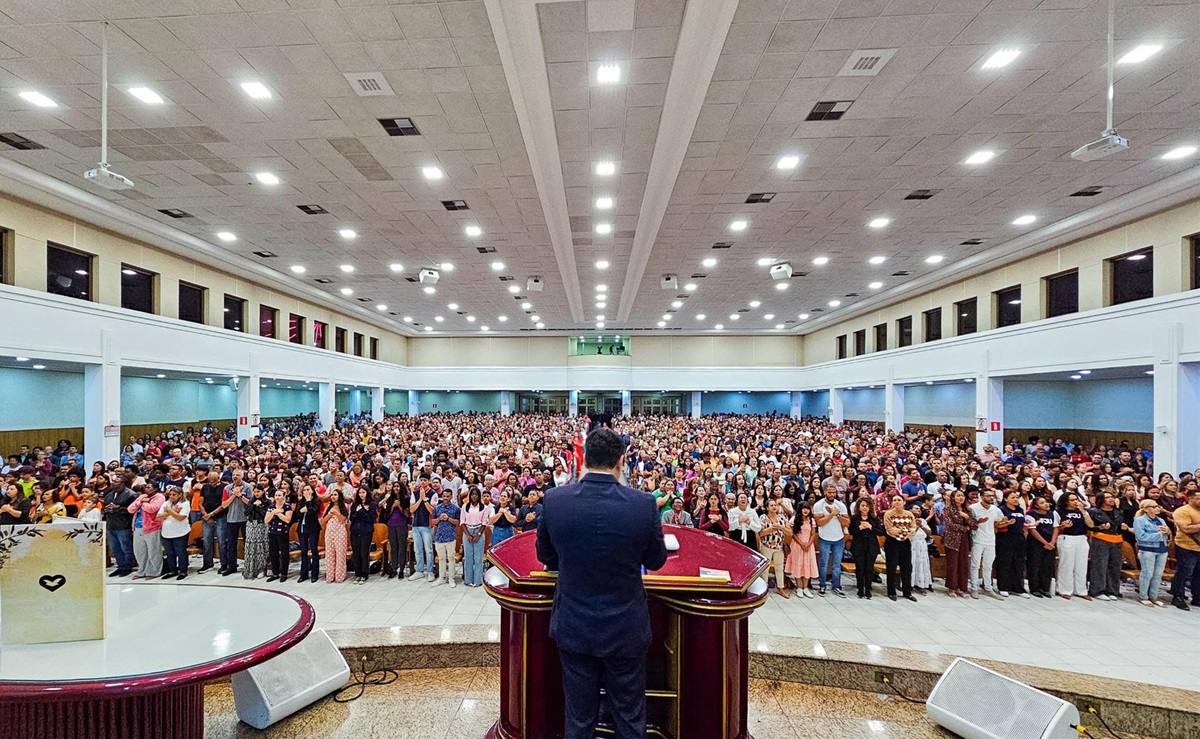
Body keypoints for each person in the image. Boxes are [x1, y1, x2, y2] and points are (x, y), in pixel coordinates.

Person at [536, 427, 668, 739]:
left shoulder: (556, 501)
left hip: (574, 625)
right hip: (626, 628)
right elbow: (656, 561)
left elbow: (545, 555)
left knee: (579, 720)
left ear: (583, 459)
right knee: (629, 718)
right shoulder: (643, 504)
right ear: (622, 461)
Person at [812, 482, 849, 597]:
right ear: (825, 493)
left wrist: (837, 515)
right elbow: (819, 523)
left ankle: (836, 586)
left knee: (837, 564)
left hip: (839, 537)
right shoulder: (819, 505)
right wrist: (832, 514)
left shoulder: (841, 505)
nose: (832, 494)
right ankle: (822, 585)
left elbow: (847, 522)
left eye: (834, 492)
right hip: (824, 537)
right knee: (823, 563)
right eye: (830, 492)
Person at [1133, 499, 1171, 607]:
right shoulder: (1139, 520)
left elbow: (1167, 534)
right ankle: (1143, 596)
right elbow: (1141, 536)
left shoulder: (1161, 520)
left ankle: (1153, 596)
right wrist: (1158, 534)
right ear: (1145, 509)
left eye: (1157, 506)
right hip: (1147, 549)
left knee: (1158, 574)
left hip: (1162, 549)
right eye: (1154, 507)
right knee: (1147, 573)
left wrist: (1167, 532)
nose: (1157, 508)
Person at [1055, 490, 1093, 600]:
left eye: (1076, 499)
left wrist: (1082, 510)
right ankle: (1064, 589)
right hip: (1067, 537)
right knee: (1066, 564)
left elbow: (1090, 524)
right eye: (1072, 500)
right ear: (1066, 501)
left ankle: (1081, 590)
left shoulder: (1082, 511)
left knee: (1081, 565)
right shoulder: (1059, 511)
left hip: (1081, 538)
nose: (1075, 502)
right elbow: (1056, 527)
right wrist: (1063, 526)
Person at [1088, 491, 1125, 600]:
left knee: (1115, 566)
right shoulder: (1094, 511)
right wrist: (1100, 527)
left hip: (1117, 539)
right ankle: (1097, 590)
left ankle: (1113, 590)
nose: (1111, 499)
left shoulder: (1118, 512)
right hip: (1101, 539)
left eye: (1112, 497)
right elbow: (1089, 526)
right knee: (1100, 565)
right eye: (1108, 497)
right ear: (1101, 499)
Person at [968, 489, 1004, 599]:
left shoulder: (995, 509)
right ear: (981, 496)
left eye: (992, 496)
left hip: (990, 539)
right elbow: (969, 523)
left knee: (988, 565)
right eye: (988, 496)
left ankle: (988, 588)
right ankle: (974, 587)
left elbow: (998, 522)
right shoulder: (973, 508)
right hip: (977, 539)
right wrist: (978, 522)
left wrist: (1006, 523)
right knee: (975, 565)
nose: (990, 498)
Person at [882, 493, 917, 602]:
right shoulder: (888, 514)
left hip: (905, 542)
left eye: (899, 500)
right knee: (891, 567)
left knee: (907, 568)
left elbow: (913, 529)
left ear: (904, 502)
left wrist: (902, 532)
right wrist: (904, 530)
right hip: (892, 543)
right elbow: (890, 530)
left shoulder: (909, 514)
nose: (897, 502)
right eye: (894, 500)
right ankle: (891, 592)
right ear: (892, 502)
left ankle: (907, 592)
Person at [1168, 488, 1200, 611]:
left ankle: (1197, 597)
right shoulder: (1182, 511)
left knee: (1198, 574)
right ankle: (1178, 596)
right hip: (1186, 546)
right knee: (1184, 572)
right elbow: (1186, 528)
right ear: (1191, 499)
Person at [995, 490, 1029, 598]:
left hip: (1019, 538)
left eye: (1016, 497)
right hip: (1005, 538)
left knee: (1018, 563)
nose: (1015, 499)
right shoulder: (1002, 509)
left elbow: (1023, 523)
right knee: (1005, 562)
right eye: (1013, 497)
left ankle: (1018, 588)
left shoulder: (1020, 509)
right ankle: (1004, 587)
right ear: (1006, 499)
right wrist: (1007, 523)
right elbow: (998, 524)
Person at [103, 474, 138, 577]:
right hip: (111, 524)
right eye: (112, 481)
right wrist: (106, 509)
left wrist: (117, 508)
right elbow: (106, 507)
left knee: (125, 547)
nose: (113, 483)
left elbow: (132, 510)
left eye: (116, 482)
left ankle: (127, 566)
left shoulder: (131, 494)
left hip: (124, 525)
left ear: (122, 483)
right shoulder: (109, 494)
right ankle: (120, 566)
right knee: (115, 548)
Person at [1023, 496, 1058, 598]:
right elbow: (1033, 530)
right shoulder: (1031, 514)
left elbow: (1055, 528)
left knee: (1047, 565)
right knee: (1035, 565)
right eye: (1042, 503)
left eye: (1046, 502)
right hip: (1036, 542)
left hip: (1050, 542)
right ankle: (1034, 588)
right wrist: (1045, 543)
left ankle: (1045, 588)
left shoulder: (1052, 513)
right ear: (1036, 505)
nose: (1046, 504)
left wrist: (1052, 542)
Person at [128, 483, 165, 580]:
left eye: (149, 487)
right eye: (146, 487)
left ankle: (154, 571)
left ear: (155, 489)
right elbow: (130, 509)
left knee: (153, 551)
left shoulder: (159, 497)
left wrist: (143, 503)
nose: (146, 489)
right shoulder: (143, 497)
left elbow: (152, 509)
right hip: (137, 527)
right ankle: (141, 571)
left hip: (152, 527)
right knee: (139, 551)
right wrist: (140, 501)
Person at [942, 489, 974, 598]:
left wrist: (966, 517)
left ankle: (962, 588)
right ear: (953, 497)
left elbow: (974, 525)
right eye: (958, 496)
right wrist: (966, 528)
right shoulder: (948, 509)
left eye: (962, 496)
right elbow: (950, 525)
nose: (961, 498)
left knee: (964, 563)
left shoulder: (967, 510)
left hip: (965, 539)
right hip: (952, 539)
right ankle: (952, 587)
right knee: (953, 564)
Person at [848, 497, 882, 599]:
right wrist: (859, 528)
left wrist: (870, 527)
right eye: (862, 506)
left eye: (867, 506)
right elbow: (851, 532)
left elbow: (880, 532)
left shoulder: (874, 519)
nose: (865, 508)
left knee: (869, 569)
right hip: (859, 546)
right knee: (860, 568)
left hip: (871, 547)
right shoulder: (854, 518)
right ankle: (860, 589)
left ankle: (868, 589)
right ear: (858, 507)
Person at [157, 486, 190, 580]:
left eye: (174, 495)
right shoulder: (166, 503)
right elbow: (158, 517)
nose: (171, 496)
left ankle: (183, 571)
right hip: (166, 532)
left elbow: (180, 518)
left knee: (180, 552)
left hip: (180, 532)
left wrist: (169, 511)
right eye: (170, 494)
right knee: (169, 553)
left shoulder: (185, 503)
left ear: (180, 495)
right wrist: (173, 512)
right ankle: (173, 570)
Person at [408, 477, 438, 582]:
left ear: (429, 481)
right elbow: (411, 509)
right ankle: (419, 571)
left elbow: (433, 511)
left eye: (425, 480)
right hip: (416, 524)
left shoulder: (433, 493)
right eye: (421, 480)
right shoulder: (415, 493)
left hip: (427, 525)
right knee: (418, 549)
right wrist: (420, 499)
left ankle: (430, 571)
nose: (423, 482)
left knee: (428, 550)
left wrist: (425, 500)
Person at [785, 502, 818, 598]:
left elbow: (813, 534)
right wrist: (801, 543)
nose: (806, 510)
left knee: (807, 565)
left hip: (809, 546)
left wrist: (808, 544)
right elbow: (793, 534)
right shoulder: (794, 519)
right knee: (798, 565)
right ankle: (799, 588)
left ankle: (805, 587)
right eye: (804, 508)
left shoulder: (811, 520)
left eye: (807, 508)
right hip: (797, 546)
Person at [758, 499, 790, 597]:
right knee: (765, 568)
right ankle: (763, 588)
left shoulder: (782, 517)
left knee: (780, 568)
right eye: (771, 505)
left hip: (779, 546)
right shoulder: (763, 517)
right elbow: (761, 533)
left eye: (775, 505)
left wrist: (780, 527)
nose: (774, 507)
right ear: (767, 507)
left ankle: (780, 587)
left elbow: (789, 532)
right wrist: (772, 528)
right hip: (766, 545)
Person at [460, 487, 490, 587]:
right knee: (468, 557)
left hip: (479, 530)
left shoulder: (484, 508)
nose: (474, 496)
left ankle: (477, 580)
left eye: (476, 494)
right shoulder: (465, 506)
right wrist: (467, 534)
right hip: (467, 530)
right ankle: (468, 580)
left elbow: (484, 522)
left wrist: (478, 535)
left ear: (479, 496)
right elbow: (462, 522)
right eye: (472, 494)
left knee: (478, 558)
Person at [431, 488, 461, 588]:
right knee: (441, 558)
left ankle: (451, 578)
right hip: (439, 537)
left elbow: (458, 523)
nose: (445, 498)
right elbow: (432, 522)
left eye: (448, 496)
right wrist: (439, 518)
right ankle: (441, 577)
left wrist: (448, 518)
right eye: (444, 496)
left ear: (451, 497)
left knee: (451, 558)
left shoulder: (456, 509)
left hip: (450, 537)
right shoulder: (437, 508)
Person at [381, 483, 411, 579]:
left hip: (402, 525)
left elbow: (407, 514)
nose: (396, 488)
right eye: (394, 487)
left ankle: (401, 569)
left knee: (402, 547)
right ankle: (394, 568)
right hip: (391, 525)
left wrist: (399, 506)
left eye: (398, 486)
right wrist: (393, 506)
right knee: (393, 548)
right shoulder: (390, 499)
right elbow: (386, 515)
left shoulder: (406, 498)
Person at [294, 484, 322, 582]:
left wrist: (309, 502)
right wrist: (302, 511)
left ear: (312, 491)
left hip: (313, 528)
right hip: (302, 528)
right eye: (304, 489)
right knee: (304, 551)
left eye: (308, 489)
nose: (306, 491)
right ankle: (303, 574)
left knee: (314, 550)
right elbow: (297, 513)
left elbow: (314, 511)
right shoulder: (301, 501)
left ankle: (314, 574)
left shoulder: (316, 501)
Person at [348, 487, 375, 584]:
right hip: (355, 531)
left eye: (363, 492)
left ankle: (364, 574)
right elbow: (352, 517)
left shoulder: (371, 504)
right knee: (356, 553)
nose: (361, 494)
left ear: (367, 493)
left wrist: (361, 511)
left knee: (364, 553)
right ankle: (357, 573)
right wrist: (360, 512)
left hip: (366, 531)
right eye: (360, 492)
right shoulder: (355, 504)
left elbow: (370, 519)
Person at [243, 483, 269, 580]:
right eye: (255, 492)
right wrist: (253, 505)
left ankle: (261, 569)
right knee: (250, 547)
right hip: (250, 525)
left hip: (261, 525)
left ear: (263, 492)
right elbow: (246, 512)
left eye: (258, 491)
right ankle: (250, 570)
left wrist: (260, 506)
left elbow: (264, 515)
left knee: (260, 548)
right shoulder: (251, 501)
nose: (257, 493)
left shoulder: (267, 502)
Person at [266, 490, 293, 583]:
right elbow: (266, 520)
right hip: (272, 532)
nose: (277, 497)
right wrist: (273, 512)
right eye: (276, 495)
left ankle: (284, 573)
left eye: (279, 495)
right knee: (273, 553)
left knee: (284, 553)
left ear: (283, 497)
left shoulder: (287, 507)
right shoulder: (271, 507)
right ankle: (275, 573)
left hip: (283, 533)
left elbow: (288, 520)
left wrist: (278, 513)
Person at [322, 493, 349, 584]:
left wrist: (336, 513)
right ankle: (330, 576)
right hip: (329, 532)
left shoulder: (344, 506)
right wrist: (330, 514)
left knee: (340, 554)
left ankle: (339, 576)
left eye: (335, 495)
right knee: (329, 554)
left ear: (340, 496)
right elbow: (323, 520)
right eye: (332, 495)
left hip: (340, 532)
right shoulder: (328, 507)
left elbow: (343, 519)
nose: (333, 497)